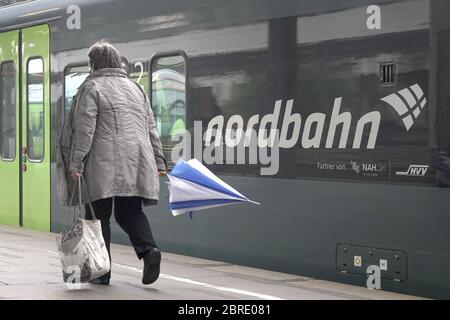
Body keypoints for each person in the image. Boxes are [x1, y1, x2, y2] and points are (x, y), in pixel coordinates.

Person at [61, 40, 167, 285]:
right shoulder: (135, 88)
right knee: (130, 211)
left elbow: (85, 129)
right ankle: (150, 251)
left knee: (98, 216)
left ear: (93, 64)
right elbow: (151, 128)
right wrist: (160, 161)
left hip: (102, 161)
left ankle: (102, 272)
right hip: (137, 160)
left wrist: (76, 164)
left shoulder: (91, 88)